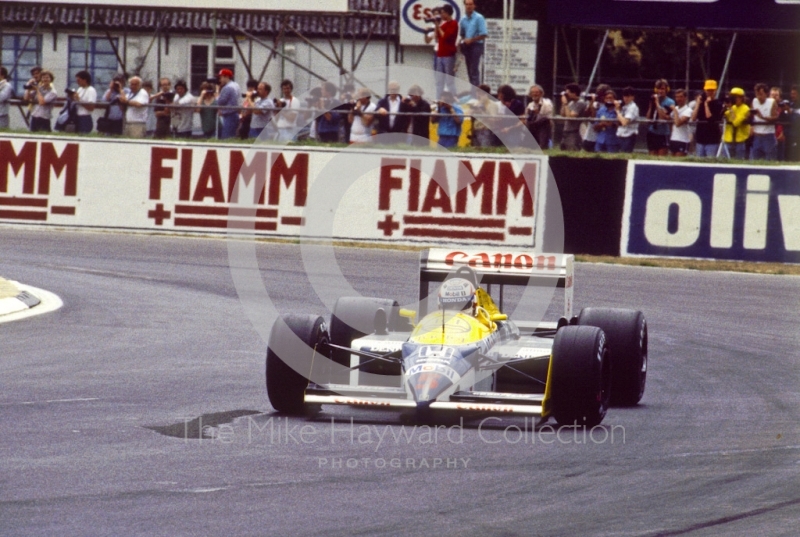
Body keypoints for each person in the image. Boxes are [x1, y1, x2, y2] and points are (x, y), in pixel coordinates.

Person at [459, 0, 487, 92]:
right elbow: (462, 33)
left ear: (474, 5)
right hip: (467, 46)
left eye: (470, 4)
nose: (468, 6)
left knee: (474, 69)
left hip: (476, 45)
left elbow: (484, 34)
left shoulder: (479, 18)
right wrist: (463, 40)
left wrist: (472, 39)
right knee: (469, 69)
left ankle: (476, 91)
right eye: (467, 4)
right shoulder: (463, 19)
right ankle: (473, 89)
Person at [691, 79, 724, 157]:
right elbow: (693, 118)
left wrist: (706, 104)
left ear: (715, 91)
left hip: (712, 139)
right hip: (700, 137)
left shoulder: (718, 103)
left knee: (710, 161)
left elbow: (709, 118)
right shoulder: (700, 103)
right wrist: (698, 103)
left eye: (712, 90)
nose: (710, 92)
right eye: (708, 90)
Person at [433, 4, 458, 100]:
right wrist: (437, 25)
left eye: (443, 12)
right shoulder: (443, 24)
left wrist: (438, 27)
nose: (442, 15)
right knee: (439, 81)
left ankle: (453, 100)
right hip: (440, 54)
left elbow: (445, 36)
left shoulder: (453, 23)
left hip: (448, 55)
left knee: (449, 80)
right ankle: (438, 99)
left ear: (447, 13)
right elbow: (436, 36)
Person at [645, 79, 675, 156]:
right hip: (652, 132)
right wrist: (651, 105)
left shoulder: (670, 102)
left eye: (662, 89)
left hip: (663, 133)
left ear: (666, 89)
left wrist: (658, 104)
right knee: (652, 156)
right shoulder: (653, 100)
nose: (660, 91)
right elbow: (648, 118)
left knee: (661, 157)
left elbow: (663, 117)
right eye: (658, 89)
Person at [750, 83, 779, 161]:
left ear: (766, 94)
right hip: (757, 135)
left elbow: (775, 117)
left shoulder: (772, 102)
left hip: (768, 136)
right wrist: (751, 126)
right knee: (755, 160)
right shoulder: (754, 101)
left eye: (761, 94)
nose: (759, 97)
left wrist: (762, 116)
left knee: (770, 160)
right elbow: (751, 115)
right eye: (757, 94)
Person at [723, 87, 750, 160]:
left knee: (738, 161)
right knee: (725, 161)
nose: (734, 99)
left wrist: (731, 109)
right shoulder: (732, 107)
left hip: (739, 141)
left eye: (736, 97)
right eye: (732, 97)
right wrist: (724, 107)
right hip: (728, 139)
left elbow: (736, 123)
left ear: (741, 98)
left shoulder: (745, 108)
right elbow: (723, 116)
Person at [581, 84, 609, 152]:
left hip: (601, 139)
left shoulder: (608, 106)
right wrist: (591, 103)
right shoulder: (595, 104)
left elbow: (595, 119)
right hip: (590, 137)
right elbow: (586, 115)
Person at [525, 84, 554, 150]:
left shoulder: (547, 102)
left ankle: (542, 146)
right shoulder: (530, 104)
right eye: (532, 92)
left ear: (541, 93)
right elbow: (528, 116)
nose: (534, 94)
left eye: (536, 92)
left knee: (544, 121)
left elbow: (546, 117)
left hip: (544, 127)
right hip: (533, 127)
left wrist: (538, 113)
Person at [559, 83, 587, 151]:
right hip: (566, 131)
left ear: (574, 93)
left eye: (568, 93)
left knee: (572, 151)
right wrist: (563, 104)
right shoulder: (571, 103)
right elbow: (562, 114)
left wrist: (565, 104)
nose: (566, 95)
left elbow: (570, 117)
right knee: (563, 151)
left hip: (573, 132)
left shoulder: (580, 103)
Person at [216, 69, 241, 140]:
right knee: (232, 137)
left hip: (229, 115)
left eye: (221, 77)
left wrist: (217, 92)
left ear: (226, 77)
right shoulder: (236, 85)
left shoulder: (227, 87)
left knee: (226, 138)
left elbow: (220, 102)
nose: (220, 80)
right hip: (235, 114)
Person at [668, 89, 693, 157]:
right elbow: (669, 119)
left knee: (678, 162)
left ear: (685, 98)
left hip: (683, 141)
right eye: (677, 97)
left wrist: (675, 111)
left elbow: (678, 123)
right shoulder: (675, 108)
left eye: (681, 97)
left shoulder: (688, 110)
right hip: (673, 139)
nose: (678, 99)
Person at [616, 86, 639, 153]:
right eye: (625, 96)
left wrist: (617, 111)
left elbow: (624, 122)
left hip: (628, 136)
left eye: (628, 96)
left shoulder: (633, 107)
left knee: (625, 157)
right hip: (620, 134)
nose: (626, 98)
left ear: (633, 97)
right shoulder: (624, 107)